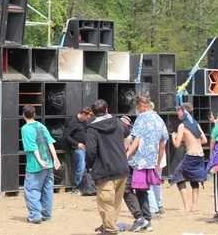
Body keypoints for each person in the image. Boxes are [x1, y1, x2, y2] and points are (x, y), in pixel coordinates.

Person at [123, 95, 168, 233]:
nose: (138, 111)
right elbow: (162, 144)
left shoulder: (142, 118)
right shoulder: (159, 120)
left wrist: (126, 155)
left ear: (141, 106)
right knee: (143, 191)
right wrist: (158, 162)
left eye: (138, 108)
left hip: (138, 161)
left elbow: (136, 139)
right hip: (150, 162)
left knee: (126, 189)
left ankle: (139, 217)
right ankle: (147, 221)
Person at [85, 99, 130, 235]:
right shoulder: (118, 122)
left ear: (93, 113)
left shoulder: (92, 129)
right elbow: (127, 134)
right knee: (115, 203)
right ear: (107, 109)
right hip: (122, 167)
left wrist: (90, 166)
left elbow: (91, 151)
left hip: (104, 170)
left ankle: (110, 229)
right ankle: (108, 225)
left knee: (105, 202)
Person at [19, 104, 61, 224]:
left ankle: (35, 215)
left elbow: (33, 147)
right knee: (47, 190)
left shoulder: (25, 129)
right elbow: (50, 143)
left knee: (32, 190)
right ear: (34, 114)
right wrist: (55, 159)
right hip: (48, 164)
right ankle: (46, 214)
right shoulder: (41, 126)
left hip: (35, 165)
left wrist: (39, 160)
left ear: (23, 115)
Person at [170, 103, 208, 212]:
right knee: (194, 179)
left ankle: (186, 206)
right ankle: (194, 206)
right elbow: (204, 140)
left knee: (178, 176)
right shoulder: (195, 124)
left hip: (191, 155)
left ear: (184, 112)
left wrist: (173, 137)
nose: (178, 112)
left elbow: (177, 145)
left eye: (179, 110)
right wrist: (190, 141)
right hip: (200, 155)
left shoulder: (182, 126)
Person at [65, 107, 93, 192]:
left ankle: (86, 186)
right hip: (77, 148)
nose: (88, 119)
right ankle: (78, 187)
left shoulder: (84, 122)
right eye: (87, 117)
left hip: (86, 147)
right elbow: (66, 136)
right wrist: (77, 144)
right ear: (83, 114)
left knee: (86, 167)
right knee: (81, 167)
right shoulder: (72, 121)